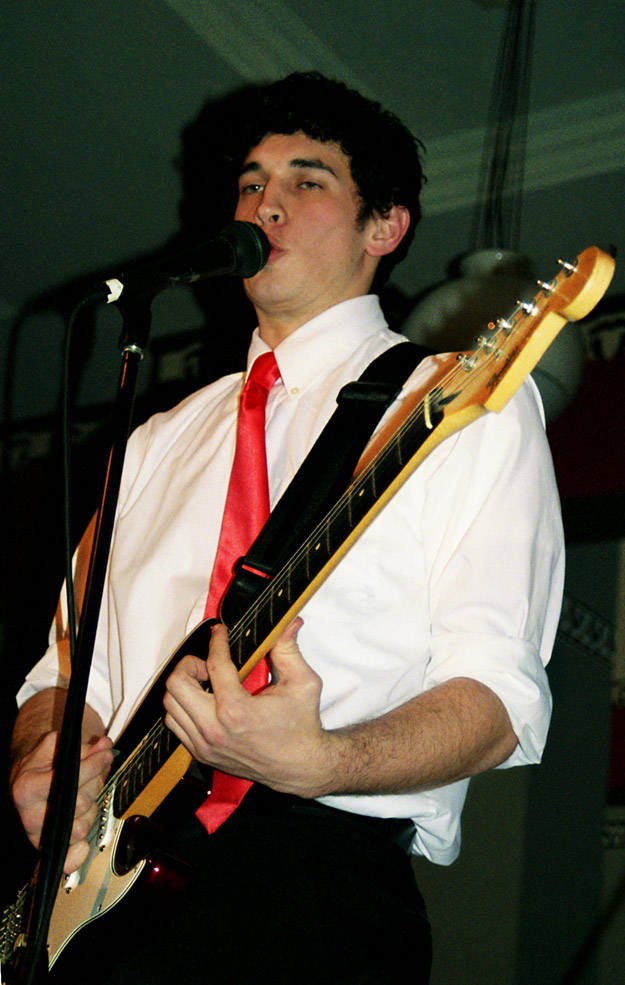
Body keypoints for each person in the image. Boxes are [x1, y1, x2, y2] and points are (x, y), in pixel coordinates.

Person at [9, 73, 564, 984]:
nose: (265, 203)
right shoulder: (154, 442)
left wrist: (322, 760)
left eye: (308, 181)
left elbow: (498, 696)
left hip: (313, 881)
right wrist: (44, 760)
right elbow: (65, 677)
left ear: (385, 227)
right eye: (250, 182)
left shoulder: (455, 406)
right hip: (104, 900)